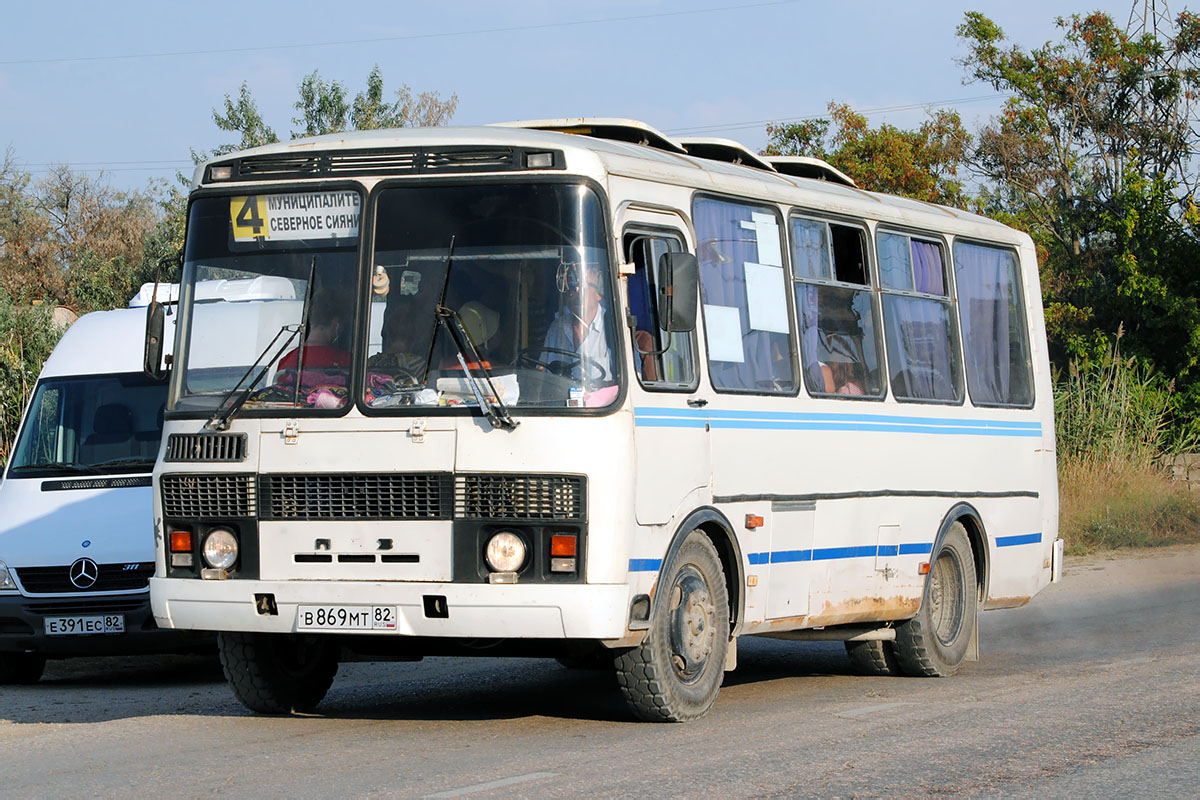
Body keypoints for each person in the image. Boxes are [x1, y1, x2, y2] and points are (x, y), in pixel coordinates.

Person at [540, 261, 613, 383]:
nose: (572, 294)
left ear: (599, 292)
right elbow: (542, 373)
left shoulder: (614, 327)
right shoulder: (556, 328)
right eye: (569, 289)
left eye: (580, 288)